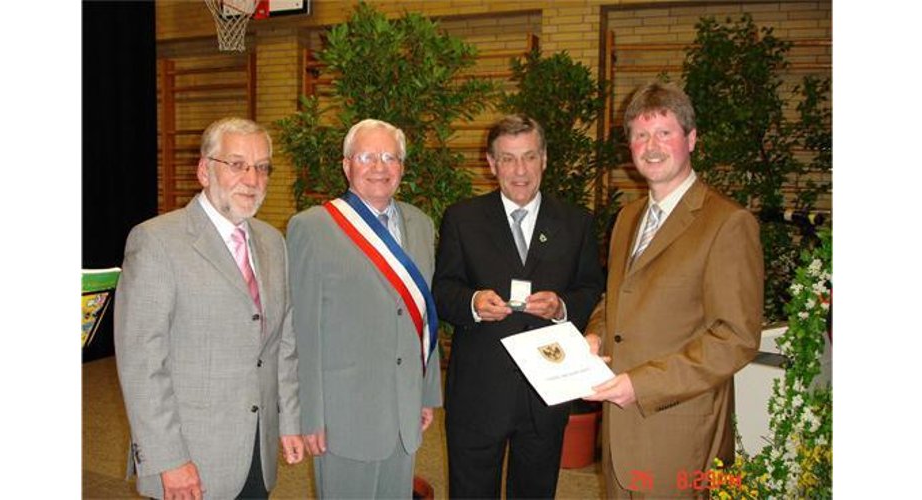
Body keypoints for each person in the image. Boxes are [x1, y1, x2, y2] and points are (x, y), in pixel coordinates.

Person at [582, 82, 764, 497]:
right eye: (640, 135)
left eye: (665, 133)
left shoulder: (727, 223)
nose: (652, 146)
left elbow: (735, 338)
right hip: (620, 426)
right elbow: (618, 298)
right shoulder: (627, 218)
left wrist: (641, 385)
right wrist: (595, 334)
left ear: (692, 139)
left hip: (681, 434)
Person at [114, 117, 305, 500]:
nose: (252, 179)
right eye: (237, 165)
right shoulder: (156, 241)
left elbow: (283, 343)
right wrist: (168, 459)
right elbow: (142, 364)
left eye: (262, 167)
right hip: (191, 459)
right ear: (204, 170)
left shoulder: (272, 242)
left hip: (256, 452)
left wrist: (289, 421)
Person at [432, 114, 605, 498]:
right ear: (491, 164)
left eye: (528, 157)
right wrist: (473, 303)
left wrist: (562, 306)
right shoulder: (462, 219)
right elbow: (442, 291)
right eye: (508, 159)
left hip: (546, 390)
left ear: (544, 158)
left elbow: (592, 288)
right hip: (479, 391)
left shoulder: (576, 222)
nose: (520, 170)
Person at [287, 118, 441, 498]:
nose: (379, 166)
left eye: (390, 157)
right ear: (346, 164)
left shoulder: (420, 225)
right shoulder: (312, 227)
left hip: (404, 408)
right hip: (343, 416)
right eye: (367, 156)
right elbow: (302, 330)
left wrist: (425, 393)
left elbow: (425, 317)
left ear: (402, 167)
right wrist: (309, 414)